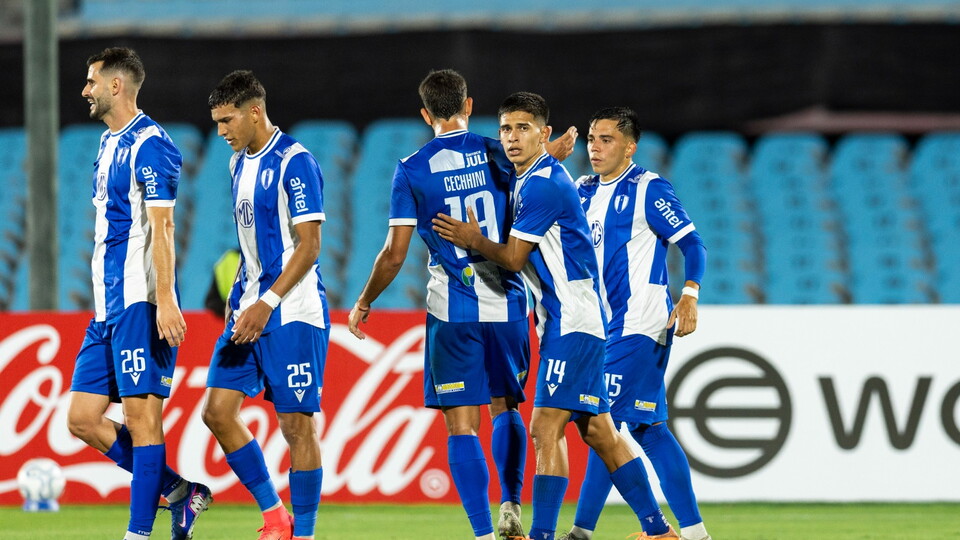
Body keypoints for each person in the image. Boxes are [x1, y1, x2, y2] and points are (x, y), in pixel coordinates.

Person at [433, 92, 680, 540]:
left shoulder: (544, 184)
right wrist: (549, 150)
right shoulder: (534, 175)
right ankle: (659, 531)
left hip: (574, 321)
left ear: (542, 133)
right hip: (569, 320)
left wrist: (472, 238)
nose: (510, 138)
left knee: (546, 427)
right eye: (506, 128)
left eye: (523, 128)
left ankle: (543, 535)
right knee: (600, 432)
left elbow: (511, 257)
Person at [347, 69, 574, 540]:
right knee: (506, 408)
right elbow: (535, 173)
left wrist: (365, 300)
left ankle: (482, 534)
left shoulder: (411, 168)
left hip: (452, 312)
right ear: (469, 106)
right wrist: (553, 150)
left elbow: (394, 254)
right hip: (510, 305)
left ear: (425, 114)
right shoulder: (499, 151)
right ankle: (512, 505)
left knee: (461, 427)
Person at [66, 47, 212, 540]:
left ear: (115, 85)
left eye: (91, 81)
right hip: (105, 307)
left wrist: (166, 299)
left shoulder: (152, 144)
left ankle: (138, 534)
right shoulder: (108, 144)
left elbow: (163, 226)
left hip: (139, 304)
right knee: (83, 419)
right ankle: (176, 490)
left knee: (141, 419)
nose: (84, 90)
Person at [562, 108, 711, 540]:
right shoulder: (581, 190)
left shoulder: (648, 188)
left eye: (606, 139)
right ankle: (696, 534)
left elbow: (692, 243)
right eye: (591, 138)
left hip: (639, 325)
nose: (595, 146)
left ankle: (584, 532)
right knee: (649, 429)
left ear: (630, 146)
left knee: (599, 424)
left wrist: (690, 294)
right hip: (599, 328)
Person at [202, 70, 328, 540]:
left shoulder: (295, 161)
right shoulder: (237, 164)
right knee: (216, 412)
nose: (221, 132)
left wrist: (269, 302)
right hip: (247, 308)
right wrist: (244, 301)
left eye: (227, 120)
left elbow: (309, 245)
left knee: (296, 427)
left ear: (255, 111)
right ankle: (276, 516)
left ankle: (306, 533)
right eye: (216, 123)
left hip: (292, 312)